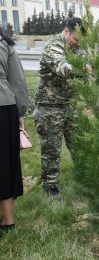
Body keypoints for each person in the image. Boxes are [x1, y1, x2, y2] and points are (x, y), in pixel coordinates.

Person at [34, 17, 86, 201]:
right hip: (50, 107)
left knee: (79, 145)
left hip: (71, 105)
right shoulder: (53, 47)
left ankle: (85, 180)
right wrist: (86, 69)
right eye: (76, 39)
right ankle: (50, 186)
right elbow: (63, 68)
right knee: (51, 149)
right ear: (67, 31)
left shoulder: (76, 47)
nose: (78, 43)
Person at [0, 27, 28, 235]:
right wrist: (20, 114)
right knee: (5, 163)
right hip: (4, 107)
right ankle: (8, 222)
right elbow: (17, 81)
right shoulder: (5, 43)